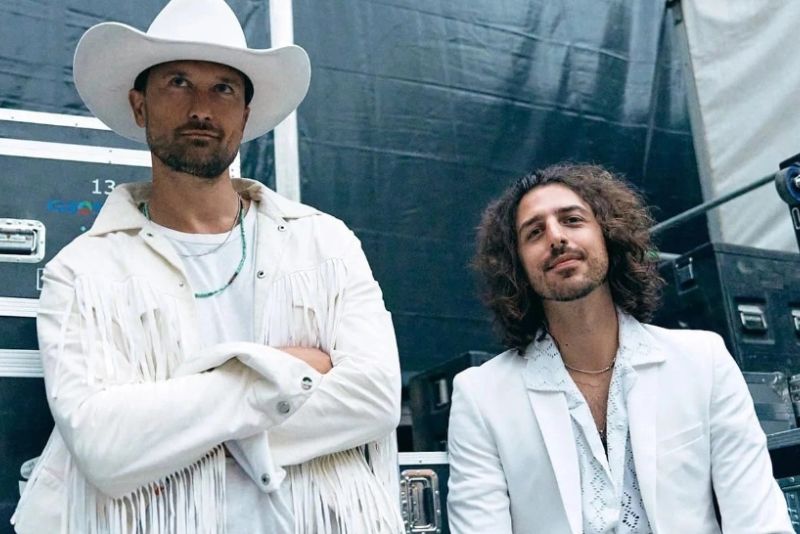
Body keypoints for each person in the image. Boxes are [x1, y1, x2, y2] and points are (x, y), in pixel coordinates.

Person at [11, 0, 403, 532]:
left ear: (245, 114)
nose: (201, 108)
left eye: (223, 88)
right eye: (178, 82)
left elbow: (375, 398)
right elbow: (105, 448)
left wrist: (167, 425)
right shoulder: (81, 272)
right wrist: (284, 371)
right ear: (139, 105)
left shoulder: (324, 243)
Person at [446, 163, 793, 533]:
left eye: (572, 220)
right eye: (534, 232)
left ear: (609, 235)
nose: (556, 237)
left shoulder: (702, 361)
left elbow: (759, 522)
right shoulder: (481, 397)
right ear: (516, 265)